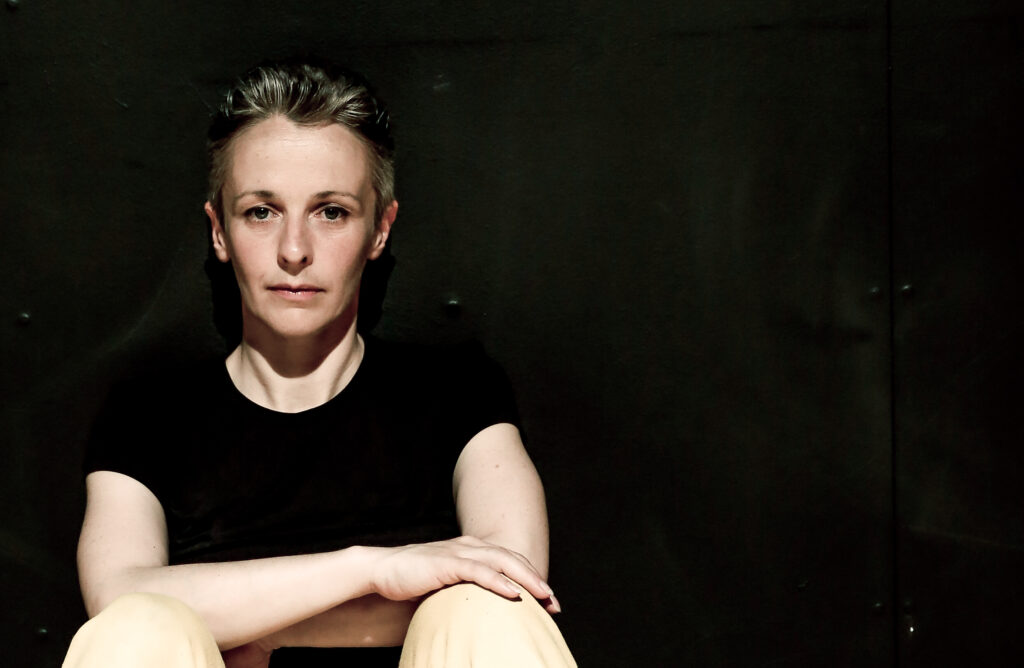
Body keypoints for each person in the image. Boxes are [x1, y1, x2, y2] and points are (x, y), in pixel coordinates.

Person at [63, 60, 576, 668]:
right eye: (262, 211)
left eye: (330, 211)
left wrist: (245, 621)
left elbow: (511, 581)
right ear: (219, 232)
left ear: (380, 228)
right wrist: (377, 569)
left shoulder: (458, 394)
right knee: (136, 631)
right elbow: (117, 595)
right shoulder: (147, 416)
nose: (294, 251)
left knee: (484, 613)